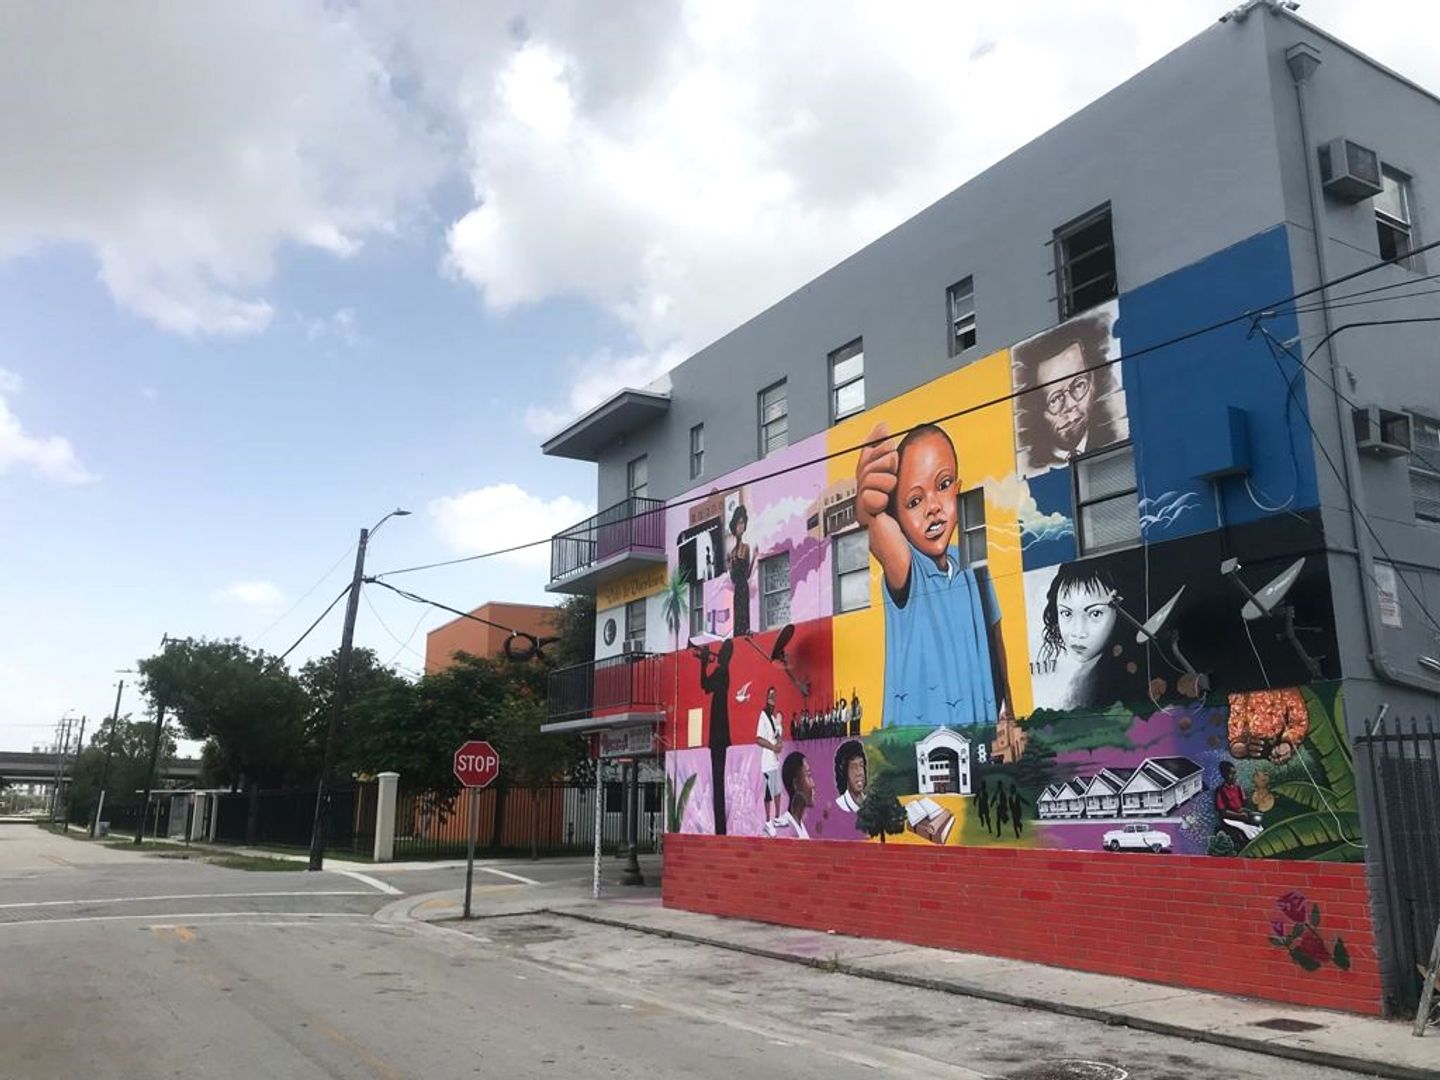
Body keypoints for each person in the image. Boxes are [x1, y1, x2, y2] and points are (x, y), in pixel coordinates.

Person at [855, 422, 1015, 730]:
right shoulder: (907, 566)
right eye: (914, 502)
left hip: (980, 734)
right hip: (919, 741)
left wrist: (1010, 712)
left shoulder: (974, 566)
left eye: (943, 484)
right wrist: (870, 516)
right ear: (897, 517)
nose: (932, 508)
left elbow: (996, 641)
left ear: (958, 489)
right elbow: (882, 537)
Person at [1012, 311, 1125, 475]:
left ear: (1092, 380)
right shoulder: (1031, 465)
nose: (1071, 405)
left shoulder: (1114, 436)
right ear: (1037, 409)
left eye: (1079, 385)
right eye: (1055, 399)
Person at [1036, 561, 1134, 709]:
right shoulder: (1085, 675)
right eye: (1066, 613)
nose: (1078, 632)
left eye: (1095, 613)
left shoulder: (1118, 680)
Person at [698, 639, 734, 835]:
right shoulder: (723, 672)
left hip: (718, 733)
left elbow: (705, 684)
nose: (718, 653)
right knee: (718, 780)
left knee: (717, 781)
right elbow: (706, 687)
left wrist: (703, 662)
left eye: (721, 651)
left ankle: (720, 829)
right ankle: (721, 828)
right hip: (721, 733)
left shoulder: (722, 672)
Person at [1214, 760, 1260, 852]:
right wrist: (1239, 815)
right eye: (1231, 774)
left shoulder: (1238, 788)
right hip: (1229, 819)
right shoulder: (1221, 790)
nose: (1234, 776)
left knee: (1257, 825)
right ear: (1224, 775)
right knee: (1245, 834)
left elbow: (1244, 803)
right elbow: (1223, 812)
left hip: (1241, 815)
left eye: (1234, 773)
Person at [755, 687, 784, 830]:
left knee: (777, 791)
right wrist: (773, 747)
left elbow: (777, 736)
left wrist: (779, 744)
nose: (773, 697)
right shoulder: (763, 716)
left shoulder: (773, 719)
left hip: (774, 761)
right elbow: (758, 739)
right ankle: (767, 822)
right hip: (767, 762)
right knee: (768, 793)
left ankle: (777, 818)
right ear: (767, 698)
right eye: (771, 695)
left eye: (775, 695)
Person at [769, 751, 814, 839]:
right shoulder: (785, 830)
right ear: (795, 784)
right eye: (808, 776)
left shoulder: (800, 826)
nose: (813, 784)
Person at [728, 504, 753, 637]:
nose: (741, 526)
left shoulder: (746, 548)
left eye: (743, 523)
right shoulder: (732, 552)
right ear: (734, 525)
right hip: (737, 588)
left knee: (744, 614)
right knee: (738, 616)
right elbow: (732, 578)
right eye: (739, 523)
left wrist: (754, 557)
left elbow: (747, 574)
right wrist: (729, 565)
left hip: (744, 586)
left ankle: (745, 634)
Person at [833, 740, 867, 813]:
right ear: (844, 773)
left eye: (861, 765)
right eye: (854, 767)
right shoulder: (840, 805)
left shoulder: (871, 803)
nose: (859, 773)